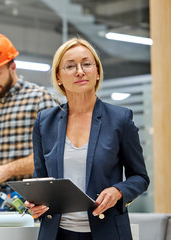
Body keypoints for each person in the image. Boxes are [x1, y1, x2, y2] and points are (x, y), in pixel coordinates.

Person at [24, 38, 150, 240]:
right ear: (58, 77)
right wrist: (35, 204)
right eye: (70, 66)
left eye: (87, 64)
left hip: (107, 231)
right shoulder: (44, 122)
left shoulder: (120, 119)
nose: (80, 71)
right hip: (57, 233)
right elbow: (42, 182)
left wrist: (118, 191)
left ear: (97, 71)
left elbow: (140, 178)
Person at [0, 33, 58, 211]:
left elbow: (52, 155)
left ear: (13, 67)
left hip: (24, 198)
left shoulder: (41, 99)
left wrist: (6, 170)